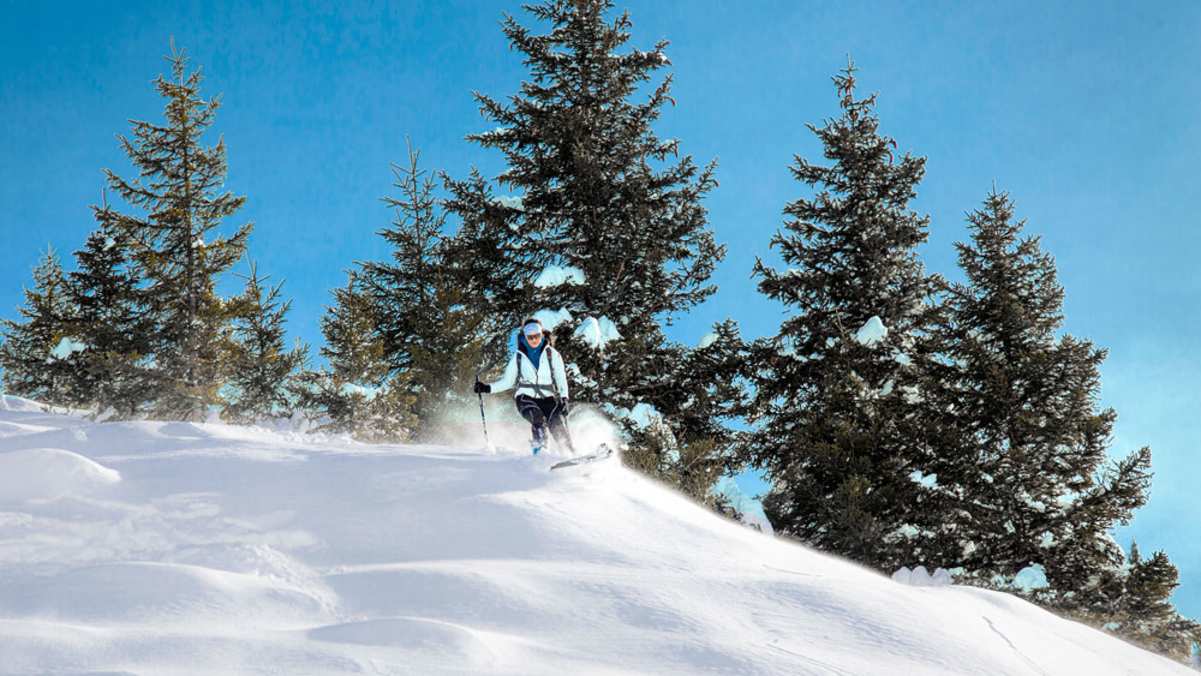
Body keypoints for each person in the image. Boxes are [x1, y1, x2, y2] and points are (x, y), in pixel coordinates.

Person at [474, 318, 575, 455]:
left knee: (557, 423)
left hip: (547, 398)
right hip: (525, 397)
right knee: (537, 417)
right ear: (525, 337)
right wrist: (487, 388)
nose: (534, 340)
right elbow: (508, 382)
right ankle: (540, 449)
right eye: (530, 337)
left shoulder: (552, 354)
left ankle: (570, 453)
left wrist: (564, 398)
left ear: (542, 334)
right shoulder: (518, 357)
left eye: (537, 336)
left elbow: (560, 377)